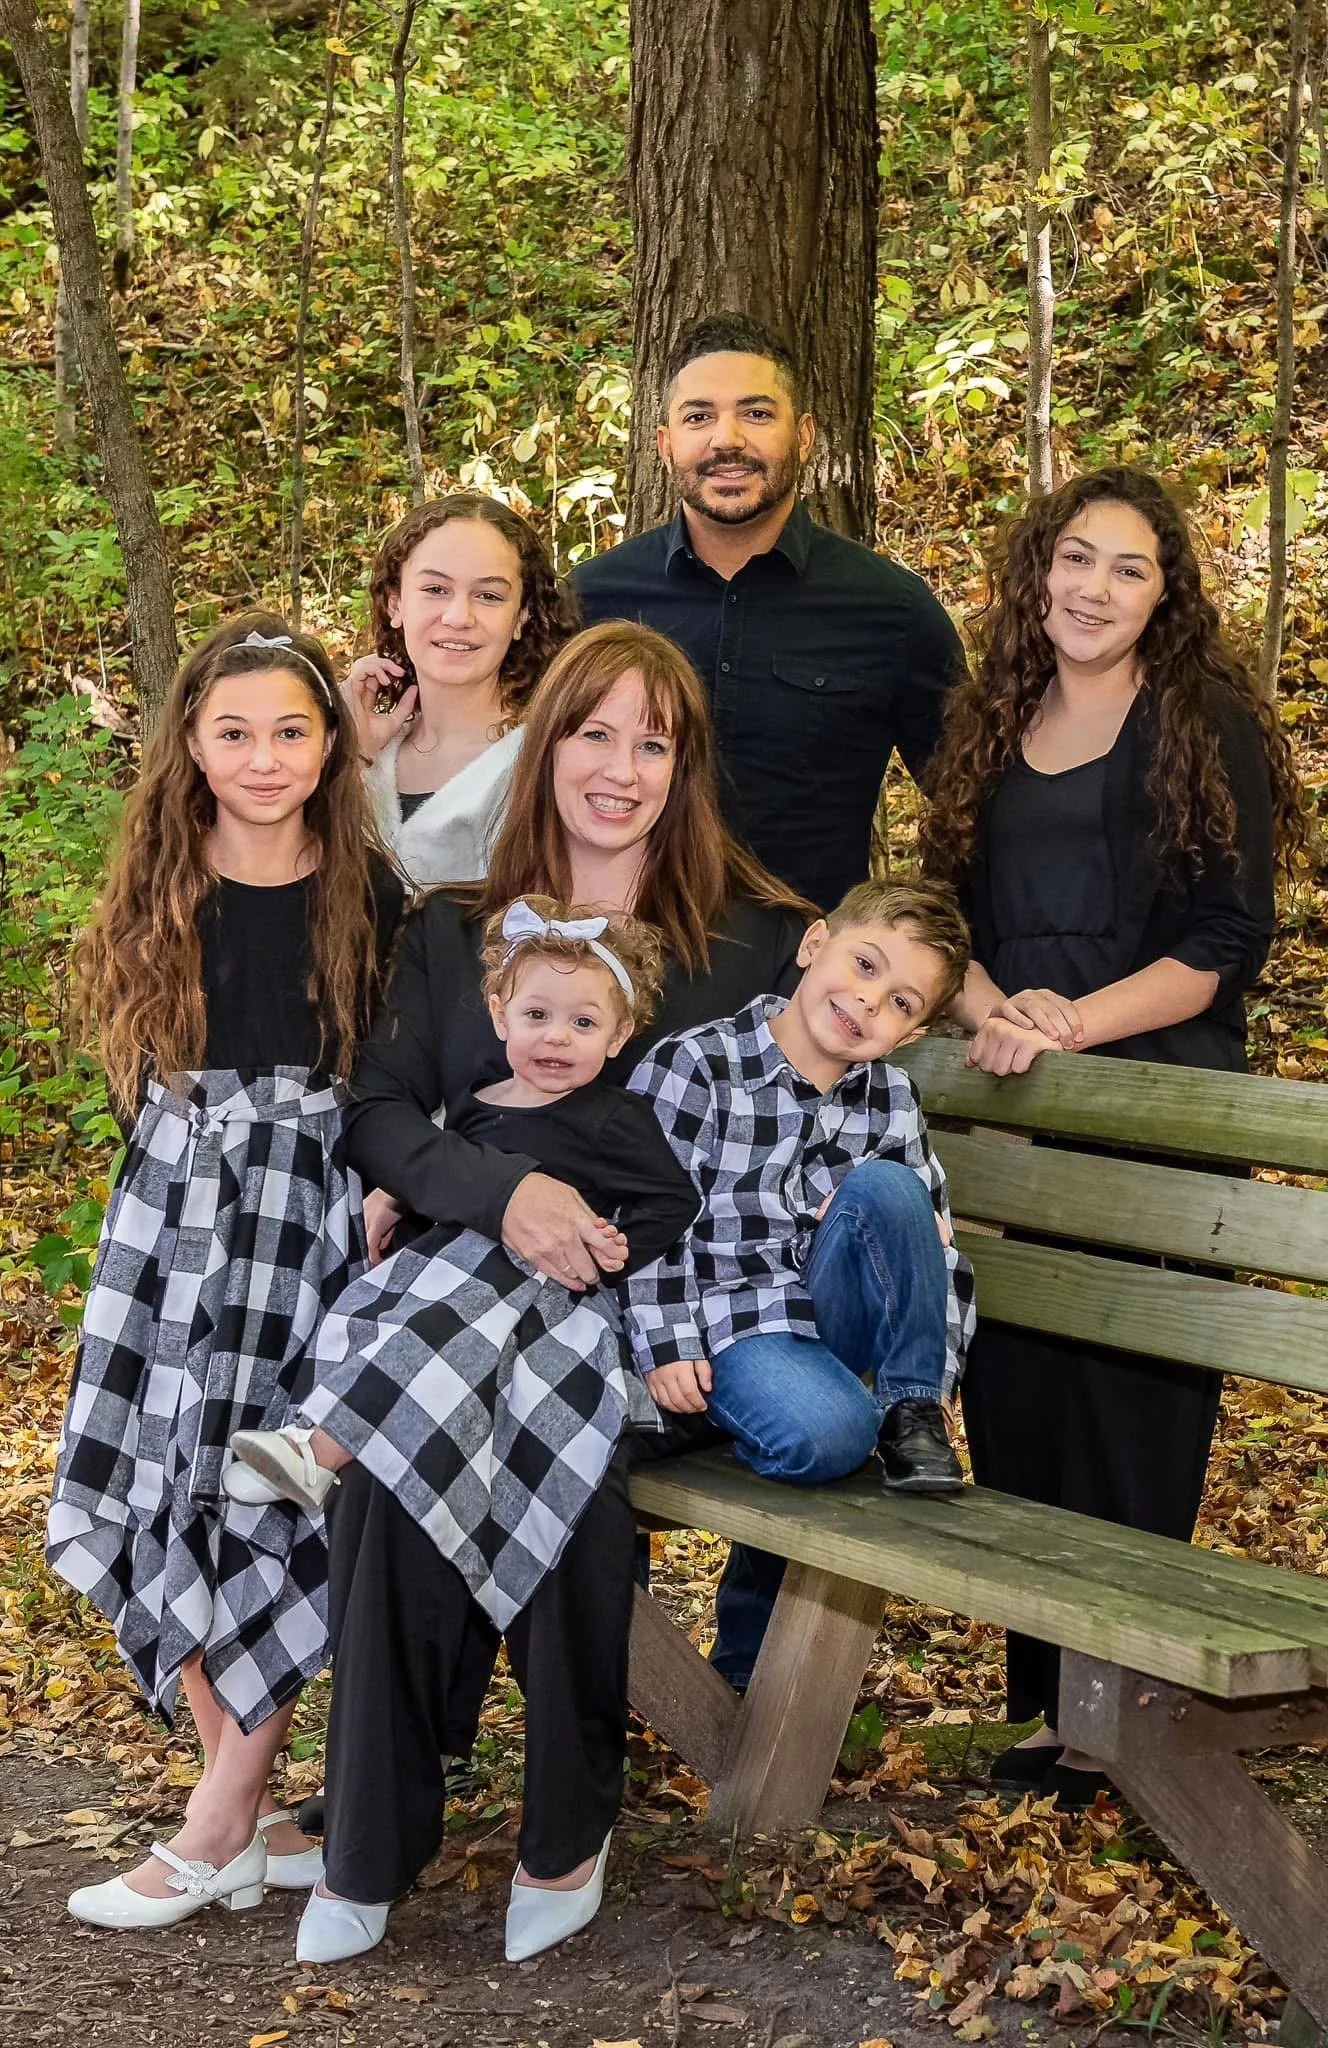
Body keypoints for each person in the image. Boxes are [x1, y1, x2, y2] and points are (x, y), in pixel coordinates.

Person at [293, 619, 810, 1968]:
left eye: (655, 740)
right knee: (399, 1457)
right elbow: (380, 1110)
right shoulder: (457, 925)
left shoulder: (757, 944)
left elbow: (855, 1061)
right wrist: (495, 1193)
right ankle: (372, 1840)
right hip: (465, 1312)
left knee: (570, 1438)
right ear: (546, 748)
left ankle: (567, 1824)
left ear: (686, 766)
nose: (621, 766)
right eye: (593, 732)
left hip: (663, 1329)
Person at [920, 466, 1307, 1806]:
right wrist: (995, 1015)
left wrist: (1070, 1023)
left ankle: (1120, 1712)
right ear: (1038, 572)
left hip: (1155, 1096)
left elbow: (1223, 944)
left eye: (1128, 568)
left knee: (1128, 1406)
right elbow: (940, 918)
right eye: (1074, 559)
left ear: (1166, 594)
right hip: (1014, 1097)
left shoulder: (1203, 722)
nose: (1092, 587)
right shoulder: (990, 716)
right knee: (1017, 1395)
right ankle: (1049, 1705)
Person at [46, 614, 403, 1929]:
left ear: (332, 748)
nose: (262, 759)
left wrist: (380, 1182)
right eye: (234, 732)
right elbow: (138, 1056)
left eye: (291, 732)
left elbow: (392, 1070)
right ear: (191, 744)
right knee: (157, 1485)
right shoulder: (163, 878)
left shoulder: (371, 892)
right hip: (175, 1214)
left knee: (264, 1490)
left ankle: (220, 1818)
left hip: (308, 1223)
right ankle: (231, 1804)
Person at [226, 896, 698, 1634]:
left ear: (618, 1036)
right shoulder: (477, 1104)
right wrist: (402, 1200)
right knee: (370, 1312)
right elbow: (460, 1195)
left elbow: (673, 1198)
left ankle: (318, 1448)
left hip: (538, 1298)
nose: (556, 1039)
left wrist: (615, 1246)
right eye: (537, 1015)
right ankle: (321, 1432)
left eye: (583, 1023)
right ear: (499, 1012)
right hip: (454, 1275)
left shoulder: (615, 1120)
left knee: (437, 1337)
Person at [569, 311, 964, 910]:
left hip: (809, 981)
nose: (727, 440)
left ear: (803, 436)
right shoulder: (589, 601)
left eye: (756, 414)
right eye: (699, 417)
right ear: (665, 443)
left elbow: (972, 809)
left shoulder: (893, 611)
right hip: (611, 966)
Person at [623, 878, 974, 1498]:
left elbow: (939, 1258)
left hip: (834, 1315)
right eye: (864, 965)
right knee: (831, 1436)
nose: (868, 1001)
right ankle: (781, 1413)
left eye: (901, 1003)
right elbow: (645, 1216)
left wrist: (936, 1387)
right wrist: (667, 1343)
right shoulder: (699, 1066)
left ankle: (910, 1416)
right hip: (726, 1325)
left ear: (913, 1035)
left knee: (894, 1191)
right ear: (814, 944)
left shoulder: (893, 1100)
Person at [349, 492, 579, 886]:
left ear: (522, 615)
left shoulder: (546, 761)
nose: (458, 617)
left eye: (488, 596)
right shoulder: (359, 748)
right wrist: (351, 759)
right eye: (435, 590)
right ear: (395, 604)